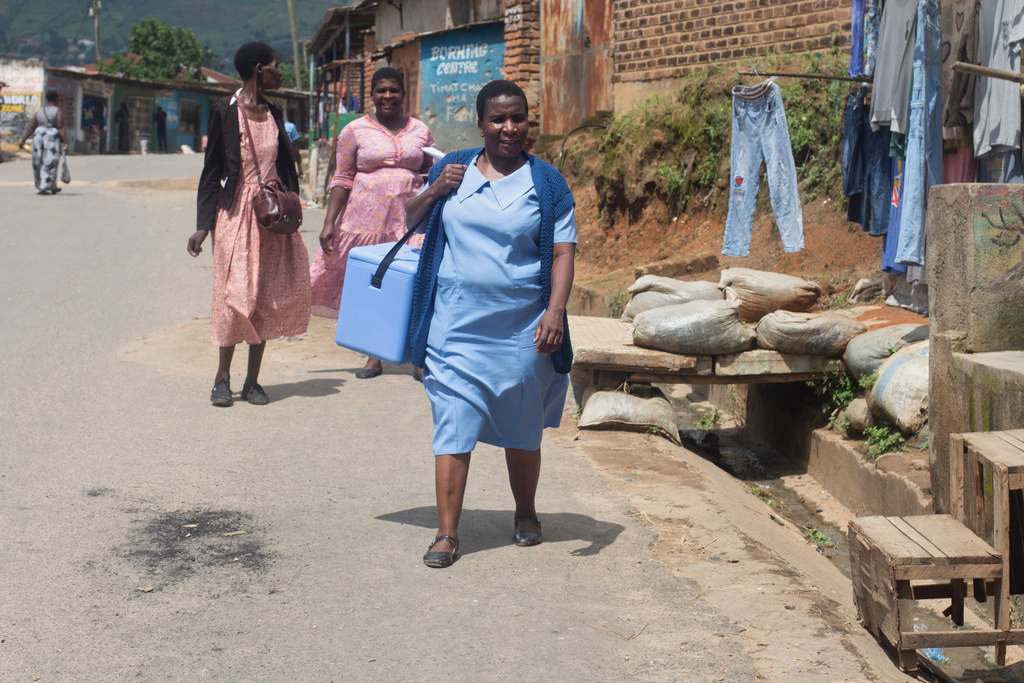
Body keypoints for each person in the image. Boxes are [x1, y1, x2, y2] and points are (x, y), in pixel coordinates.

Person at [404, 80, 577, 568]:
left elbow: (562, 253)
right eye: (498, 119)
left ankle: (525, 512)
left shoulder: (546, 182)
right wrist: (436, 188)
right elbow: (408, 218)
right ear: (480, 124)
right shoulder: (451, 169)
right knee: (453, 422)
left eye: (517, 117)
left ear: (528, 121)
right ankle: (447, 533)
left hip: (522, 329)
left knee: (522, 426)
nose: (509, 128)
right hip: (455, 326)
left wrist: (555, 311)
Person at [187, 42, 311, 407]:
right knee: (233, 295)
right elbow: (211, 170)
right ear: (259, 69)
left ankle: (252, 382)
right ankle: (221, 379)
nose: (281, 72)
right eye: (276, 66)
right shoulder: (225, 110)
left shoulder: (274, 111)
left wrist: (289, 201)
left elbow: (287, 165)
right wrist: (203, 225)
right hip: (235, 214)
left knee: (265, 298)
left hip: (271, 216)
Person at [309, 67, 435, 379]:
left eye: (394, 90)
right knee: (373, 285)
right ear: (372, 95)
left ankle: (417, 358)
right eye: (381, 90)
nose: (387, 96)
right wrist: (329, 222)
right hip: (366, 223)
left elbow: (433, 172)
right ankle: (373, 355)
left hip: (410, 222)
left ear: (404, 94)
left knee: (415, 282)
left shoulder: (420, 130)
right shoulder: (354, 130)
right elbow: (342, 177)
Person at [19, 90, 69, 195]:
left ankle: (47, 186)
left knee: (38, 162)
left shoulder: (39, 111)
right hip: (51, 138)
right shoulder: (57, 111)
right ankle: (45, 185)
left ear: (46, 99)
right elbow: (60, 127)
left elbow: (31, 127)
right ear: (56, 99)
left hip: (37, 137)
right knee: (50, 162)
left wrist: (23, 139)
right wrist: (66, 142)